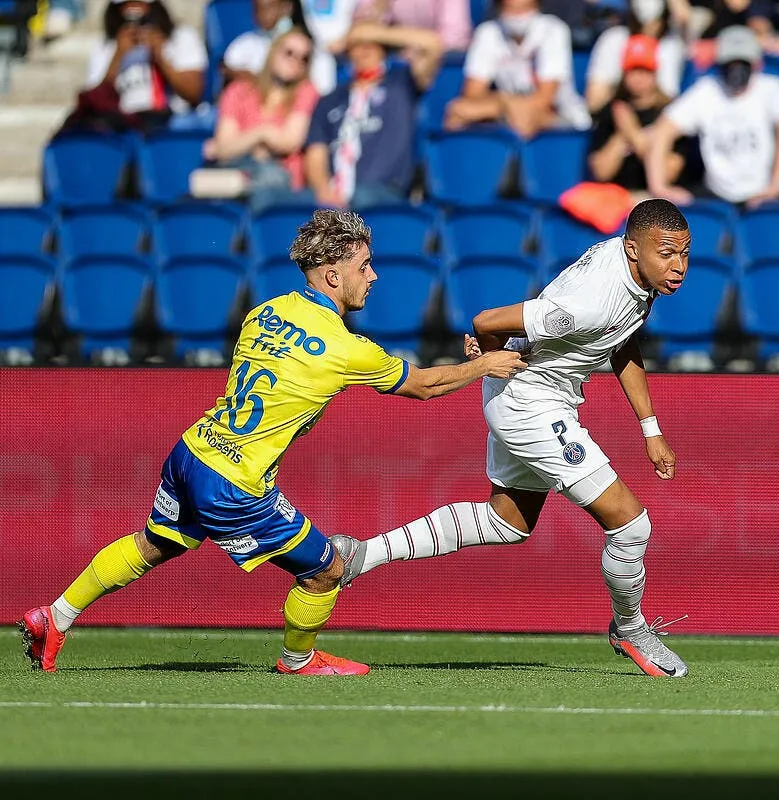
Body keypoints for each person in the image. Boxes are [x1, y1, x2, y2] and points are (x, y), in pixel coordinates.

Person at [19, 210, 527, 675]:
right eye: (365, 266)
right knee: (327, 568)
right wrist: (485, 364)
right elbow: (425, 386)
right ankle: (298, 659)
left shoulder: (263, 312)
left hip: (193, 452)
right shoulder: (344, 347)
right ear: (333, 274)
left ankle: (55, 616)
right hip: (235, 481)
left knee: (154, 544)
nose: (373, 276)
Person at [331, 199, 693, 679]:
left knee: (507, 524)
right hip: (530, 400)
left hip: (540, 393)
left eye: (685, 254)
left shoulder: (638, 276)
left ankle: (361, 554)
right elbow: (485, 320)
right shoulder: (585, 305)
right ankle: (631, 628)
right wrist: (490, 353)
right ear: (632, 249)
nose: (679, 266)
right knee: (630, 524)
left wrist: (651, 429)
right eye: (668, 254)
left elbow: (623, 338)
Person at [646, 26, 779, 208]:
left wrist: (773, 187)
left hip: (766, 192)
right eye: (730, 63)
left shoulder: (773, 88)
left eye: (742, 63)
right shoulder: (707, 90)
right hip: (717, 194)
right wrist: (659, 187)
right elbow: (663, 131)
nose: (736, 70)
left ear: (756, 63)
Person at [205, 30, 321, 213]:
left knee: (272, 177)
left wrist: (249, 139)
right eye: (289, 52)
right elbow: (223, 149)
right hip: (240, 172)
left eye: (304, 58)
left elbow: (289, 142)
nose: (295, 61)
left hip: (283, 184)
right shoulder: (238, 91)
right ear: (273, 51)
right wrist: (263, 135)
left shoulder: (307, 92)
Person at [444, 0, 591, 138]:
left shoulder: (553, 29)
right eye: (512, 9)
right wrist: (505, 105)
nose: (518, 16)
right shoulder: (488, 32)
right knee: (457, 113)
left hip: (561, 116)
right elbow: (472, 93)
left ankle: (524, 163)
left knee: (524, 120)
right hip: (506, 112)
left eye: (524, 8)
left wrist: (502, 103)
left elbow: (544, 100)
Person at [302, 37, 418, 209]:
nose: (364, 52)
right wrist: (324, 190)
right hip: (335, 193)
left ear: (383, 50)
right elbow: (315, 151)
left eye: (370, 44)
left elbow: (431, 46)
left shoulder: (401, 85)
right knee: (283, 204)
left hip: (382, 192)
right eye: (357, 45)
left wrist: (372, 31)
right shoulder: (331, 99)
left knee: (361, 197)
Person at [80, 0, 206, 131]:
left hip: (175, 119)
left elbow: (193, 93)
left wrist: (160, 56)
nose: (134, 12)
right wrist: (118, 56)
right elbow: (94, 100)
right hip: (124, 122)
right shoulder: (105, 45)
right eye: (127, 5)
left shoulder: (181, 36)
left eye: (140, 4)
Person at [588, 35, 690, 192]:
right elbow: (601, 172)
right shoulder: (613, 111)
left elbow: (669, 173)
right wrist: (621, 138)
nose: (638, 79)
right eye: (633, 71)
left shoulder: (671, 113)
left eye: (645, 71)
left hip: (656, 201)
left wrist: (633, 134)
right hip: (618, 197)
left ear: (655, 72)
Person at [336, 0, 471, 90]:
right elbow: (360, 31)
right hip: (398, 63)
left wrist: (382, 34)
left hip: (440, 69)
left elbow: (453, 38)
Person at [585, 0, 691, 112]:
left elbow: (683, 17)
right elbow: (594, 103)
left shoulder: (672, 44)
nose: (639, 78)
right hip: (614, 118)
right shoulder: (614, 38)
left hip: (657, 121)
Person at [222, 0, 299, 84]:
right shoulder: (246, 42)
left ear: (286, 7)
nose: (261, 14)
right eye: (257, 8)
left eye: (269, 7)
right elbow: (226, 70)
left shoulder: (298, 45)